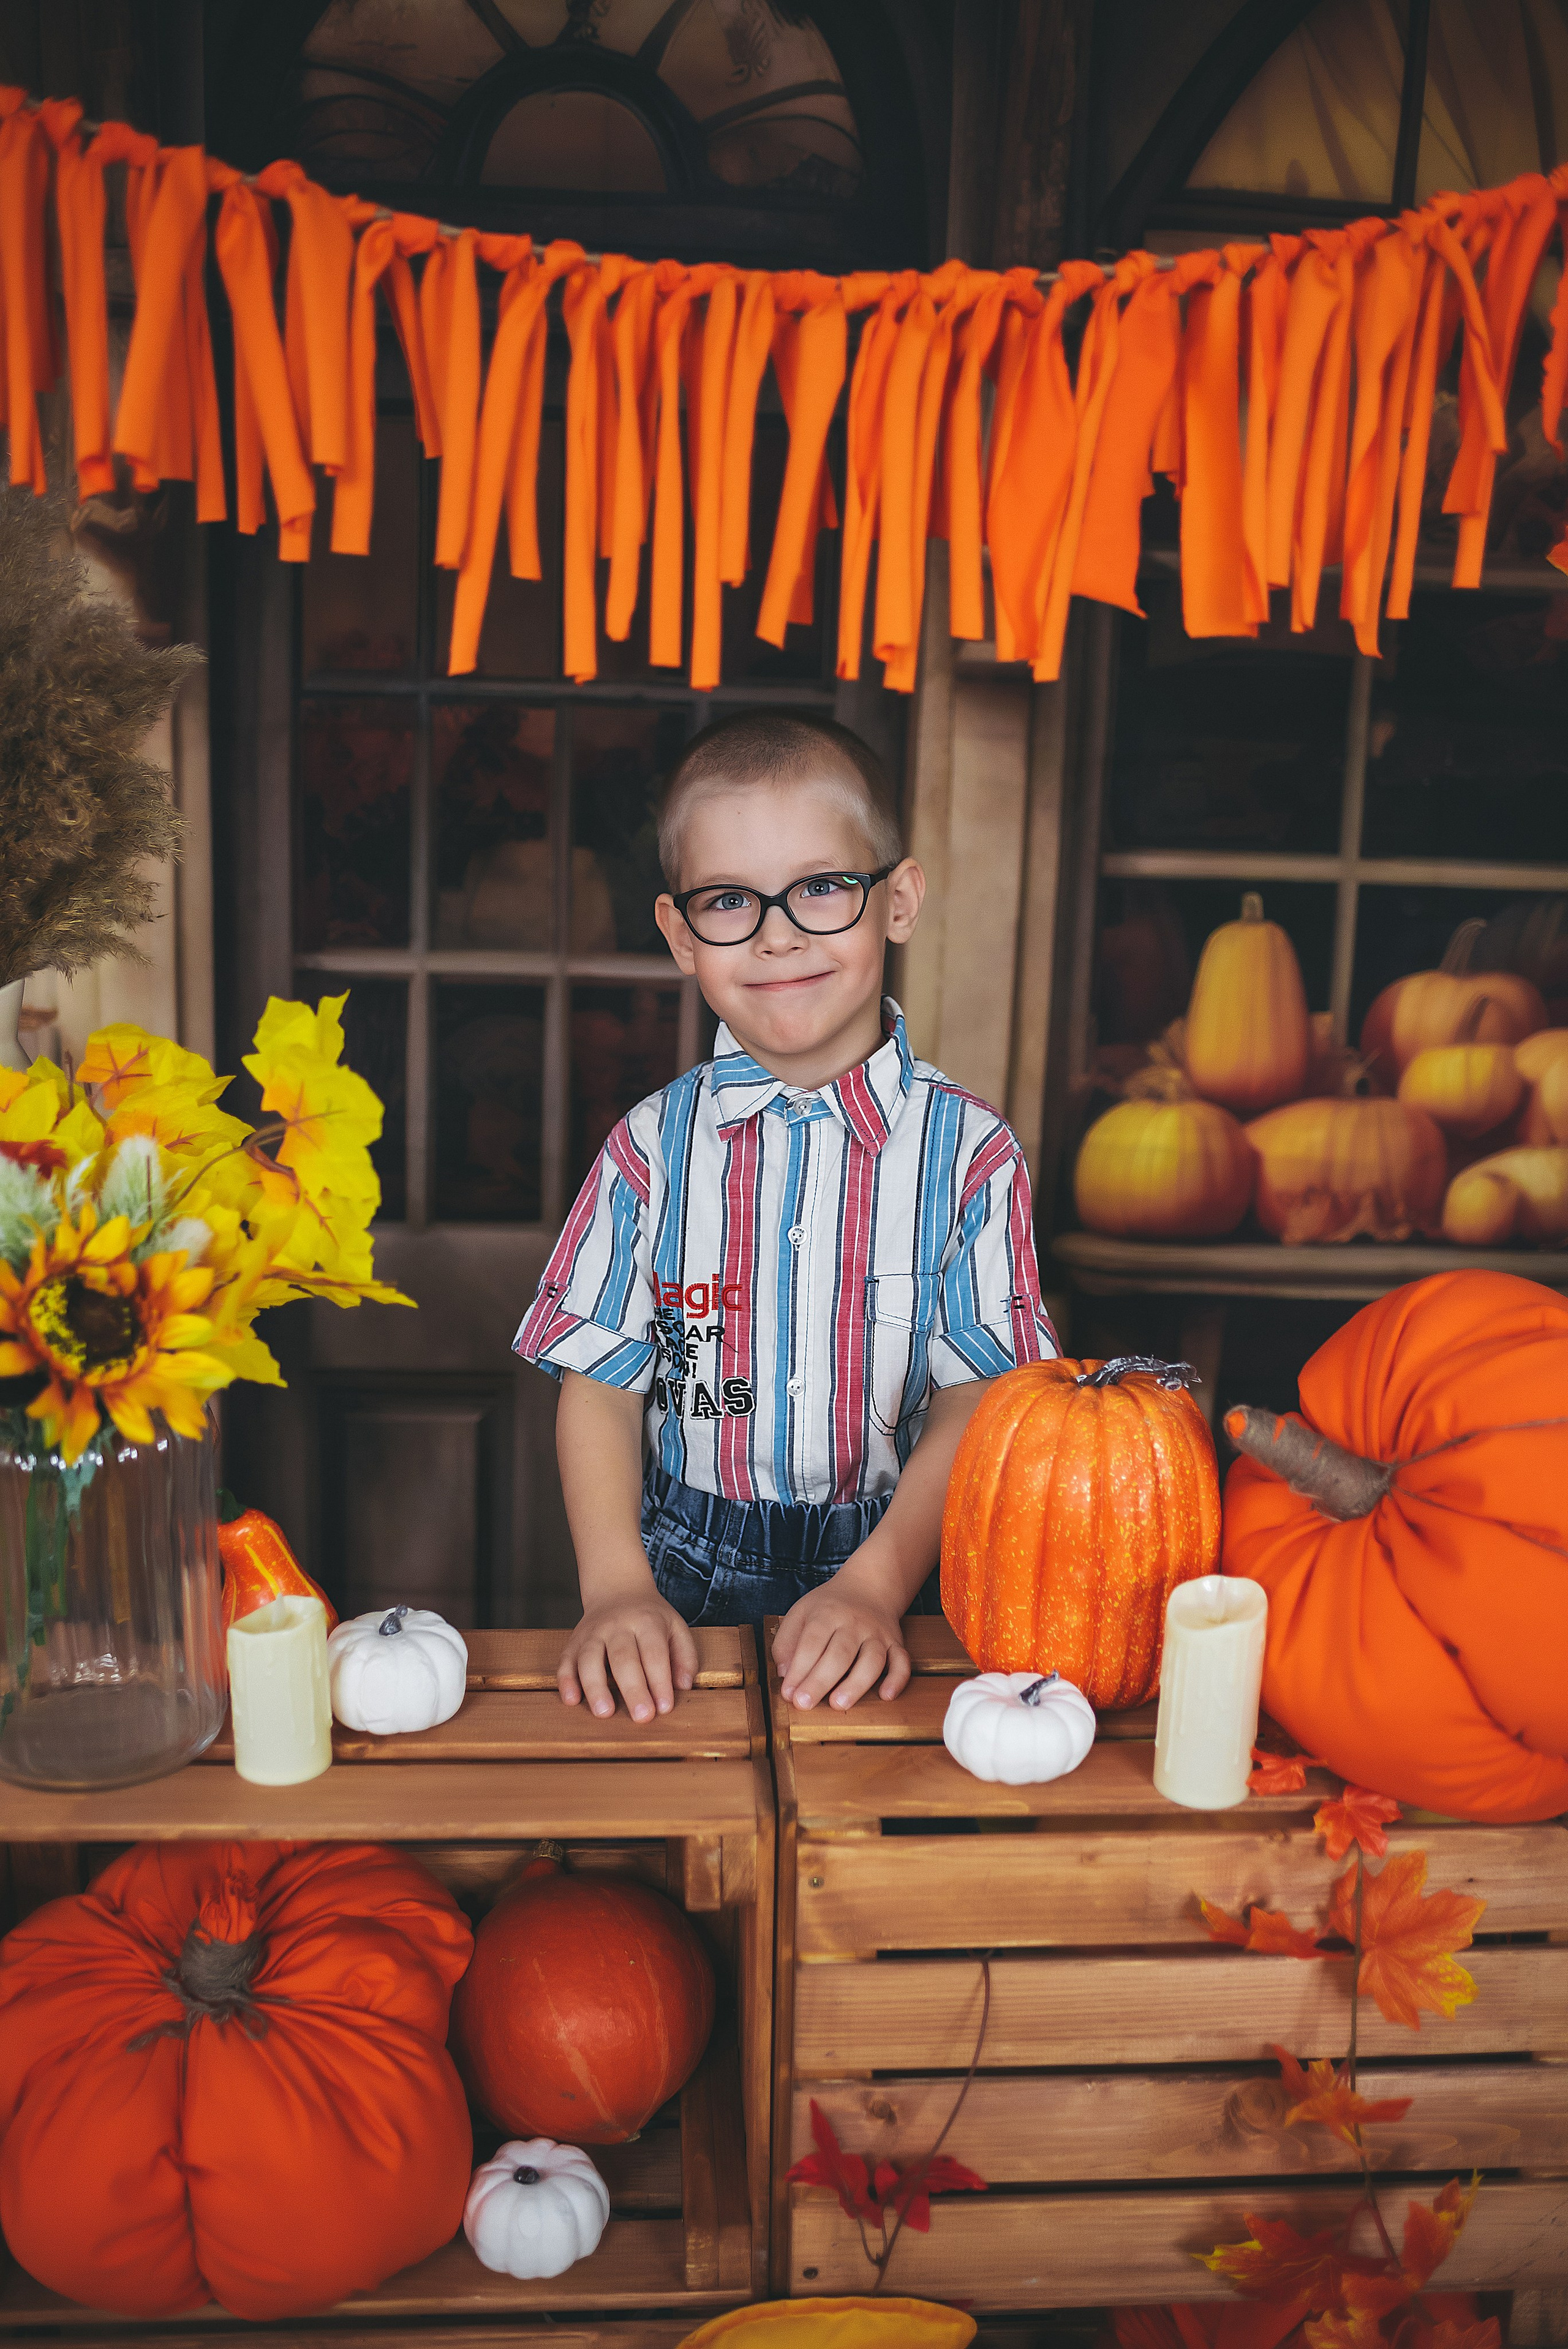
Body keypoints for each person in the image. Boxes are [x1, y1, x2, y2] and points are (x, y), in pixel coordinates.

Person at [514, 711, 1057, 1721]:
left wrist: (875, 1584)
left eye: (820, 888)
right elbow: (597, 1384)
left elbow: (982, 1399)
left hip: (902, 1564)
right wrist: (618, 1589)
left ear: (896, 901)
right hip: (681, 1567)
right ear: (681, 935)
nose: (777, 933)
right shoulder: (648, 1150)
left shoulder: (971, 1155)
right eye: (729, 900)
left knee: (866, 1841)